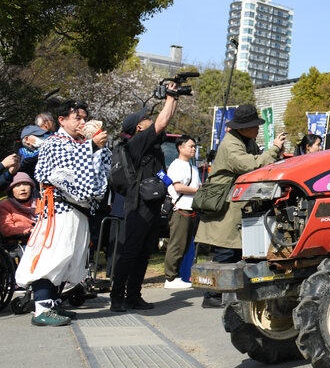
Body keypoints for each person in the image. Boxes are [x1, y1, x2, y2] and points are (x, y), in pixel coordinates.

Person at [15, 99, 110, 326]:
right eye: (77, 117)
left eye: (84, 118)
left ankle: (54, 303)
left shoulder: (80, 143)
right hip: (58, 209)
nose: (82, 122)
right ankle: (41, 307)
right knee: (52, 257)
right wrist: (92, 146)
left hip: (79, 210)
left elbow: (99, 173)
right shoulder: (53, 142)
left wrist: (98, 148)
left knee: (69, 259)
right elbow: (63, 170)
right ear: (62, 120)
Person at [195, 104, 285, 308]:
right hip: (225, 205)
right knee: (225, 251)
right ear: (244, 127)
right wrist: (274, 149)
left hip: (236, 204)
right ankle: (213, 295)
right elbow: (250, 165)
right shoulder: (231, 144)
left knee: (236, 252)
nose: (258, 129)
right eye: (255, 126)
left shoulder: (245, 141)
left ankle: (228, 294)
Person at [109, 89, 178, 312]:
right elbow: (162, 121)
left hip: (153, 205)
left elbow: (163, 123)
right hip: (137, 204)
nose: (151, 119)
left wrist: (175, 99)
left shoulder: (153, 145)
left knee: (144, 252)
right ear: (138, 128)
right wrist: (168, 98)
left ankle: (134, 296)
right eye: (145, 118)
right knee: (130, 251)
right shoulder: (136, 143)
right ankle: (117, 297)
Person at [163, 136, 200, 289]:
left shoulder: (193, 167)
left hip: (191, 208)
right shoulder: (176, 165)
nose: (193, 149)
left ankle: (177, 276)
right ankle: (170, 278)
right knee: (177, 244)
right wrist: (196, 190)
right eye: (190, 146)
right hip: (180, 209)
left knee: (184, 244)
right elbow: (177, 187)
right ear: (180, 147)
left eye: (194, 146)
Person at [0, 172, 39, 240]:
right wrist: (29, 230)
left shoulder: (39, 202)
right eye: (17, 185)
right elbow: (7, 229)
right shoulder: (5, 205)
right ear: (11, 190)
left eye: (26, 184)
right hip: (19, 243)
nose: (23, 189)